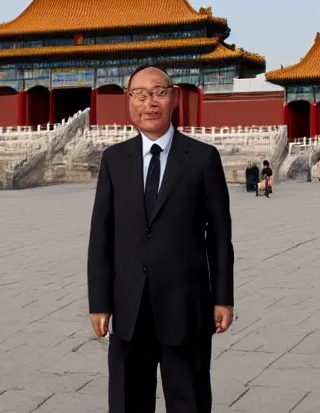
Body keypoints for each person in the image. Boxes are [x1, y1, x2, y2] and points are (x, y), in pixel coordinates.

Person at [87, 66, 234, 413]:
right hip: (128, 308)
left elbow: (220, 235)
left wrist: (223, 298)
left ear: (174, 98)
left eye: (158, 92)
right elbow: (101, 235)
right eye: (139, 94)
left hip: (186, 307)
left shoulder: (202, 158)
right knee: (128, 400)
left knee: (190, 400)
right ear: (129, 101)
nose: (148, 102)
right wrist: (99, 301)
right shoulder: (114, 160)